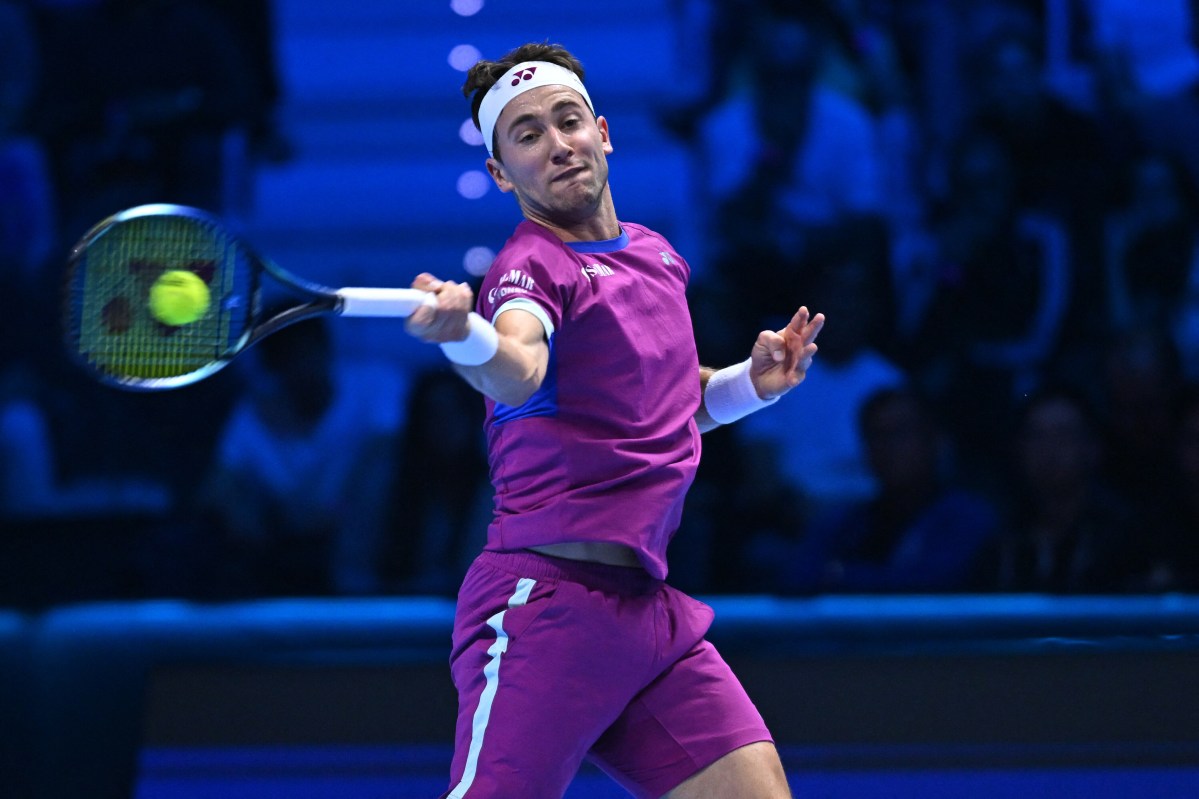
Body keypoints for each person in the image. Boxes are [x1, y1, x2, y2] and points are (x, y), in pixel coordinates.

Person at [401, 42, 824, 799]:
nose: (556, 143)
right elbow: (519, 366)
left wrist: (749, 385)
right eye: (527, 135)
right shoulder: (528, 267)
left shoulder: (657, 257)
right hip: (545, 608)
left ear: (602, 131)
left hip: (647, 616)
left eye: (567, 121)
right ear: (501, 174)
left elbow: (667, 400)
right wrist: (463, 335)